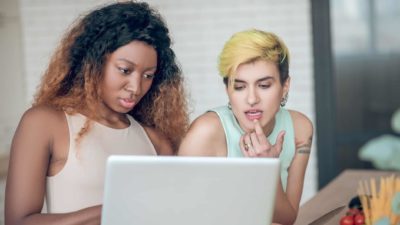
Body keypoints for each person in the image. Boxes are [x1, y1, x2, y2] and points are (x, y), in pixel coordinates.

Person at [5, 2, 188, 225]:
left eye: (148, 75)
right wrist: (115, 208)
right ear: (93, 62)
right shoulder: (45, 123)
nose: (136, 87)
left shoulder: (156, 142)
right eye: (125, 70)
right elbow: (18, 221)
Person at [178, 29, 313, 225]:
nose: (251, 99)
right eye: (239, 87)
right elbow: (180, 215)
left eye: (264, 85)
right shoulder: (205, 134)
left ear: (285, 86)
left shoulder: (300, 129)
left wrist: (268, 170)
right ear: (227, 90)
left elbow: (286, 219)